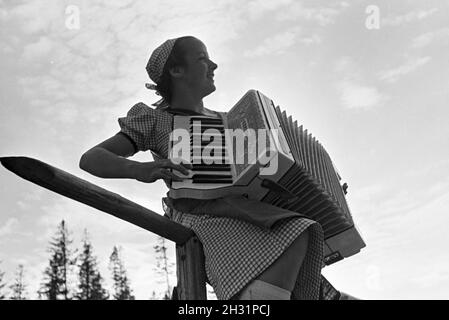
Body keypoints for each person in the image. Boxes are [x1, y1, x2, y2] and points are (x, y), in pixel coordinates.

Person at [79, 36, 343, 300]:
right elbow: (92, 158)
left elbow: (267, 174)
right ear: (176, 70)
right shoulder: (156, 119)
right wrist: (141, 170)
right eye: (202, 59)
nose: (214, 65)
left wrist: (318, 187)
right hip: (200, 213)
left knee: (304, 235)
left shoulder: (234, 121)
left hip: (245, 211)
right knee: (295, 232)